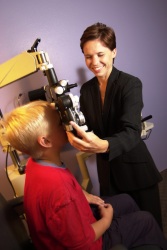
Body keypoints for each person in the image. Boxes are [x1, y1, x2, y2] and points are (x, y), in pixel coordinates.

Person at [2, 100, 167, 250]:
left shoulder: (35, 162)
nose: (67, 125)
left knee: (126, 200)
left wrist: (83, 194)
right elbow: (82, 243)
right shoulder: (60, 191)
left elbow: (62, 191)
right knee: (146, 221)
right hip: (88, 244)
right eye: (60, 123)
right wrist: (106, 220)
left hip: (71, 224)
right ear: (45, 141)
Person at [66, 22, 163, 229]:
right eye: (88, 56)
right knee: (123, 227)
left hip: (136, 170)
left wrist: (104, 146)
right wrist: (73, 131)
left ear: (114, 52)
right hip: (108, 173)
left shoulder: (130, 84)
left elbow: (132, 132)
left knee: (151, 228)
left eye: (100, 54)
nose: (94, 62)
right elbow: (91, 128)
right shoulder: (87, 91)